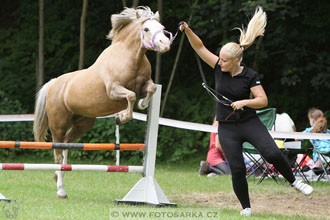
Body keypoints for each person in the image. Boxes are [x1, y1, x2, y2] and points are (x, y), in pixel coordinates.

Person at [180, 6, 313, 216]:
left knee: (271, 153)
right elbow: (200, 47)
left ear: (235, 61)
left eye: (224, 60)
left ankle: (294, 181)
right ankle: (246, 207)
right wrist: (187, 30)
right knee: (238, 169)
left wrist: (244, 102)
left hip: (248, 123)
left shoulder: (249, 75)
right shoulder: (218, 66)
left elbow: (262, 100)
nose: (219, 61)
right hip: (227, 127)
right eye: (220, 58)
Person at [302, 108, 330, 173]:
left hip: (320, 157)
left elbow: (297, 138)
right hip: (328, 155)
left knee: (313, 171)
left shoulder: (309, 131)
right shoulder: (328, 131)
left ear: (312, 120)